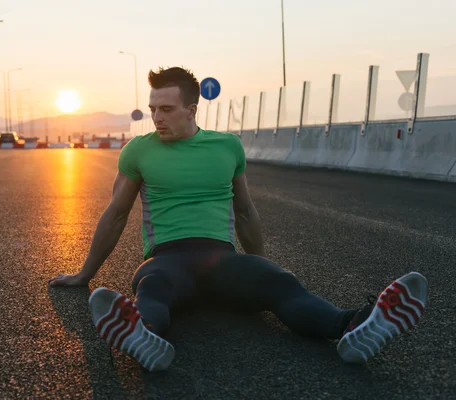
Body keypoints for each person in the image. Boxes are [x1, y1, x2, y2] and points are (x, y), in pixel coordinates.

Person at [48, 66, 429, 372]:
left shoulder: (227, 146)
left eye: (166, 109)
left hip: (222, 260)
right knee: (153, 287)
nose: (156, 118)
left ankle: (353, 327)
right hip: (166, 259)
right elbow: (116, 214)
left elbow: (245, 210)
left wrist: (259, 263)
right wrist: (85, 273)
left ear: (192, 109)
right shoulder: (139, 151)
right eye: (152, 109)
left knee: (280, 283)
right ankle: (141, 334)